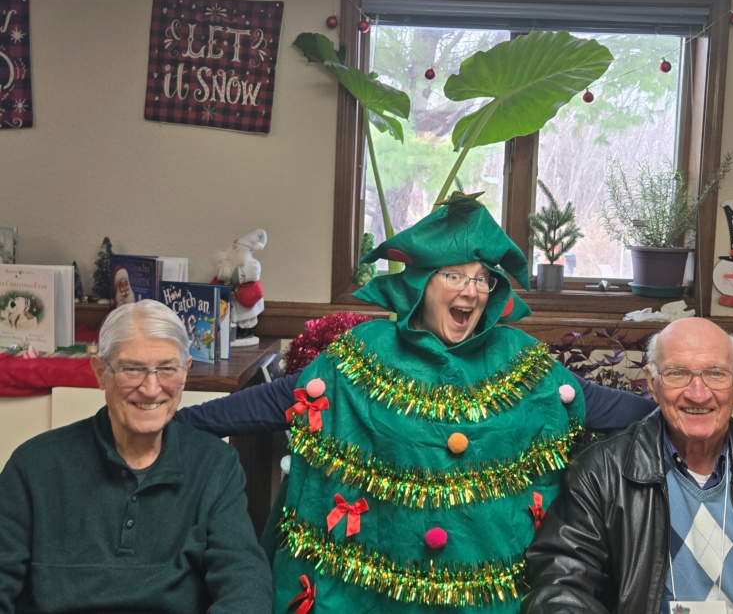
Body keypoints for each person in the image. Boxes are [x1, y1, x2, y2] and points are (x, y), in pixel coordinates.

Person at [178, 192, 656, 613]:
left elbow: (601, 405)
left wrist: (678, 415)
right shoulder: (365, 350)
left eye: (482, 279)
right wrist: (176, 424)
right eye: (455, 275)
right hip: (371, 593)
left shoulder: (520, 358)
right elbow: (282, 399)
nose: (471, 290)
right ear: (422, 283)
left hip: (488, 596)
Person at [522, 316, 733, 614]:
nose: (698, 394)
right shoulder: (600, 472)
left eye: (715, 373)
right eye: (677, 373)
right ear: (652, 382)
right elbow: (560, 583)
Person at [0, 300, 272, 614]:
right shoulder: (33, 466)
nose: (151, 389)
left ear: (186, 371)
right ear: (100, 373)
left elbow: (245, 583)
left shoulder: (216, 465)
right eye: (132, 369)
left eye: (167, 369)